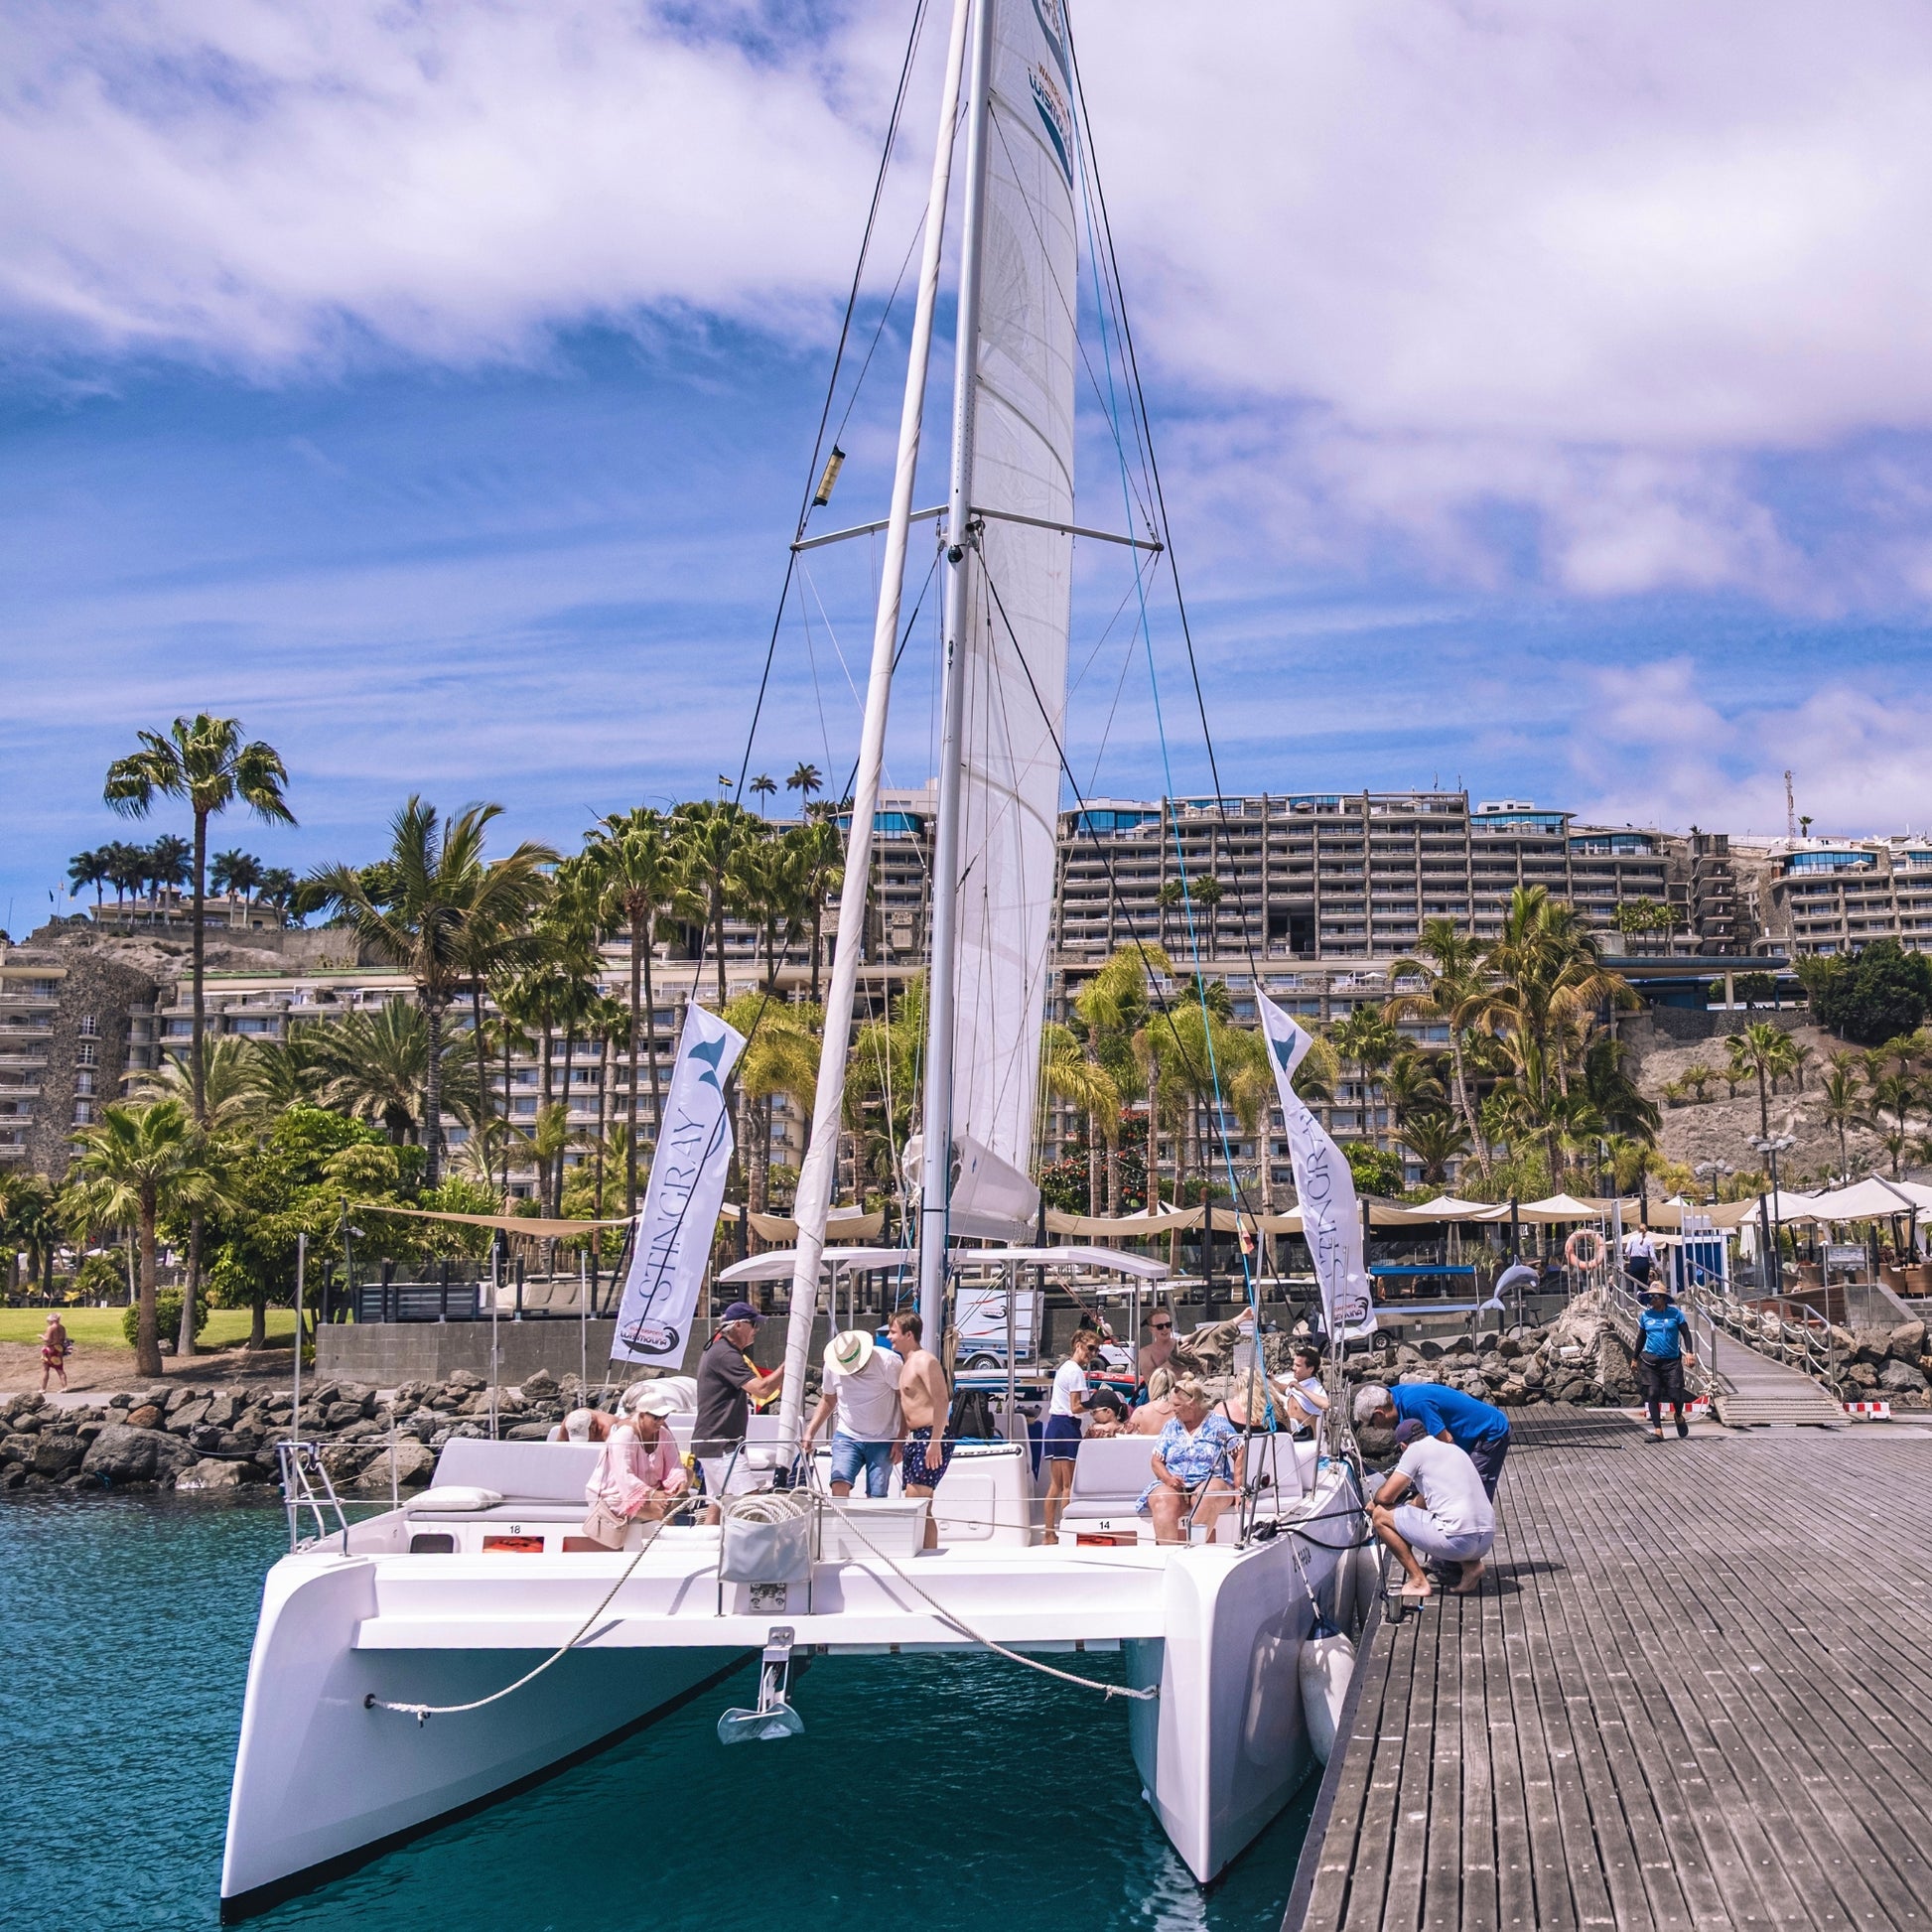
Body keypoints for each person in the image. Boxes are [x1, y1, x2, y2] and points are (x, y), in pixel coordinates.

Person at [1371, 1418, 1495, 1596]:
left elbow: (1385, 1496)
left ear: (1403, 1446)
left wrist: (1375, 1502)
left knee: (1380, 1515)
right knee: (1454, 1517)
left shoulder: (1414, 1451)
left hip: (1458, 1541)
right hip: (1486, 1539)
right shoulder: (1453, 1449)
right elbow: (1423, 1501)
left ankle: (1418, 1581)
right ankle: (1472, 1567)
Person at [693, 1301, 784, 1515]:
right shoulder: (726, 1354)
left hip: (714, 1442)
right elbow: (761, 1390)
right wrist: (787, 1366)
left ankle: (709, 1548)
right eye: (753, 1324)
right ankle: (757, 1549)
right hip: (720, 1445)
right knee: (754, 1506)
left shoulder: (718, 1351)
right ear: (738, 1325)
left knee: (716, 1509)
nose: (756, 1330)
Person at [1353, 1380, 1512, 1498]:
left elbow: (1446, 1442)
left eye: (1372, 1422)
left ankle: (1479, 1533)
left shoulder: (1414, 1404)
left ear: (1380, 1413)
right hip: (1467, 1435)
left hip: (1489, 1432)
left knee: (1474, 1489)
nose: (1375, 1427)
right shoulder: (1393, 1397)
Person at [581, 1384, 689, 1549]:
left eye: (664, 1416)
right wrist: (653, 1494)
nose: (661, 1421)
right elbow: (624, 1476)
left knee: (686, 1473)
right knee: (660, 1510)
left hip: (646, 1488)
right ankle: (672, 1545)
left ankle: (675, 1502)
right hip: (615, 1492)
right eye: (657, 1417)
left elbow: (674, 1465)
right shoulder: (625, 1435)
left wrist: (679, 1485)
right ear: (642, 1415)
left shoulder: (663, 1434)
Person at [1141, 1375, 1244, 1545]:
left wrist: (1239, 1488)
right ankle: (1167, 1555)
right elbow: (1156, 1461)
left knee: (1206, 1495)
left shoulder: (1217, 1425)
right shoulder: (1171, 1426)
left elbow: (1239, 1451)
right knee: (1162, 1499)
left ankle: (1194, 1549)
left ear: (1193, 1404)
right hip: (1176, 1484)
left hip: (1211, 1481)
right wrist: (1168, 1478)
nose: (1172, 1409)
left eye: (1177, 1405)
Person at [803, 1328, 903, 1498]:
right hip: (847, 1435)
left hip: (883, 1437)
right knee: (838, 1483)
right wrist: (809, 1432)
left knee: (877, 1495)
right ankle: (841, 1524)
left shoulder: (887, 1361)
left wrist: (901, 1439)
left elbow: (904, 1399)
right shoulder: (831, 1366)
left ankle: (869, 1525)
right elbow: (828, 1399)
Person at [888, 1311, 950, 1544]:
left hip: (931, 1435)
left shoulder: (925, 1361)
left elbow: (941, 1399)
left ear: (909, 1334)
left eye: (893, 1332)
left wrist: (935, 1443)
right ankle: (927, 1554)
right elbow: (907, 1407)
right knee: (922, 1506)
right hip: (916, 1437)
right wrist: (901, 1439)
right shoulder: (905, 1364)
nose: (890, 1337)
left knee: (915, 1502)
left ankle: (927, 1555)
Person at [1043, 1327, 1099, 1538]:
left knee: (1055, 1486)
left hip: (1055, 1425)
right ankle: (1066, 1533)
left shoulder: (1065, 1367)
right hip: (1066, 1426)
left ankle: (1049, 1534)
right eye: (1090, 1348)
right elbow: (1075, 1407)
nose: (1092, 1354)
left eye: (1096, 1350)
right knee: (1068, 1486)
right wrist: (1095, 1402)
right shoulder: (1075, 1371)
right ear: (1078, 1345)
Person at [1633, 1285, 1698, 1441]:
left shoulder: (1676, 1314)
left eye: (1655, 1296)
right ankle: (1658, 1431)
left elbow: (1686, 1334)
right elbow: (1641, 1338)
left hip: (1672, 1362)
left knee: (1675, 1395)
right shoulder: (1646, 1316)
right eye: (1650, 1297)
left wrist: (1689, 1352)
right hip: (1650, 1361)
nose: (1652, 1300)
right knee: (1653, 1393)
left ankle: (1678, 1415)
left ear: (1663, 1298)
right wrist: (1634, 1359)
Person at [1129, 1364, 1176, 1436]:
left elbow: (1129, 1440)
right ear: (1174, 1385)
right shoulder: (1180, 1411)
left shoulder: (1140, 1412)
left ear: (1151, 1386)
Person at [1138, 1307, 1177, 1381]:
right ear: (1151, 1329)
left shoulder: (1180, 1345)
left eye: (1168, 1325)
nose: (1165, 1329)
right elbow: (1150, 1380)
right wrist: (1172, 1361)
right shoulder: (1145, 1352)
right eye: (1160, 1326)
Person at [40, 1312, 69, 1392]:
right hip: (58, 1348)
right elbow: (64, 1339)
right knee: (60, 1369)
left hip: (50, 1348)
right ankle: (64, 1387)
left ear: (51, 1320)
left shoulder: (51, 1328)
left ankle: (43, 1388)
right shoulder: (62, 1328)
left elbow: (48, 1339)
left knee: (45, 1369)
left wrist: (41, 1336)